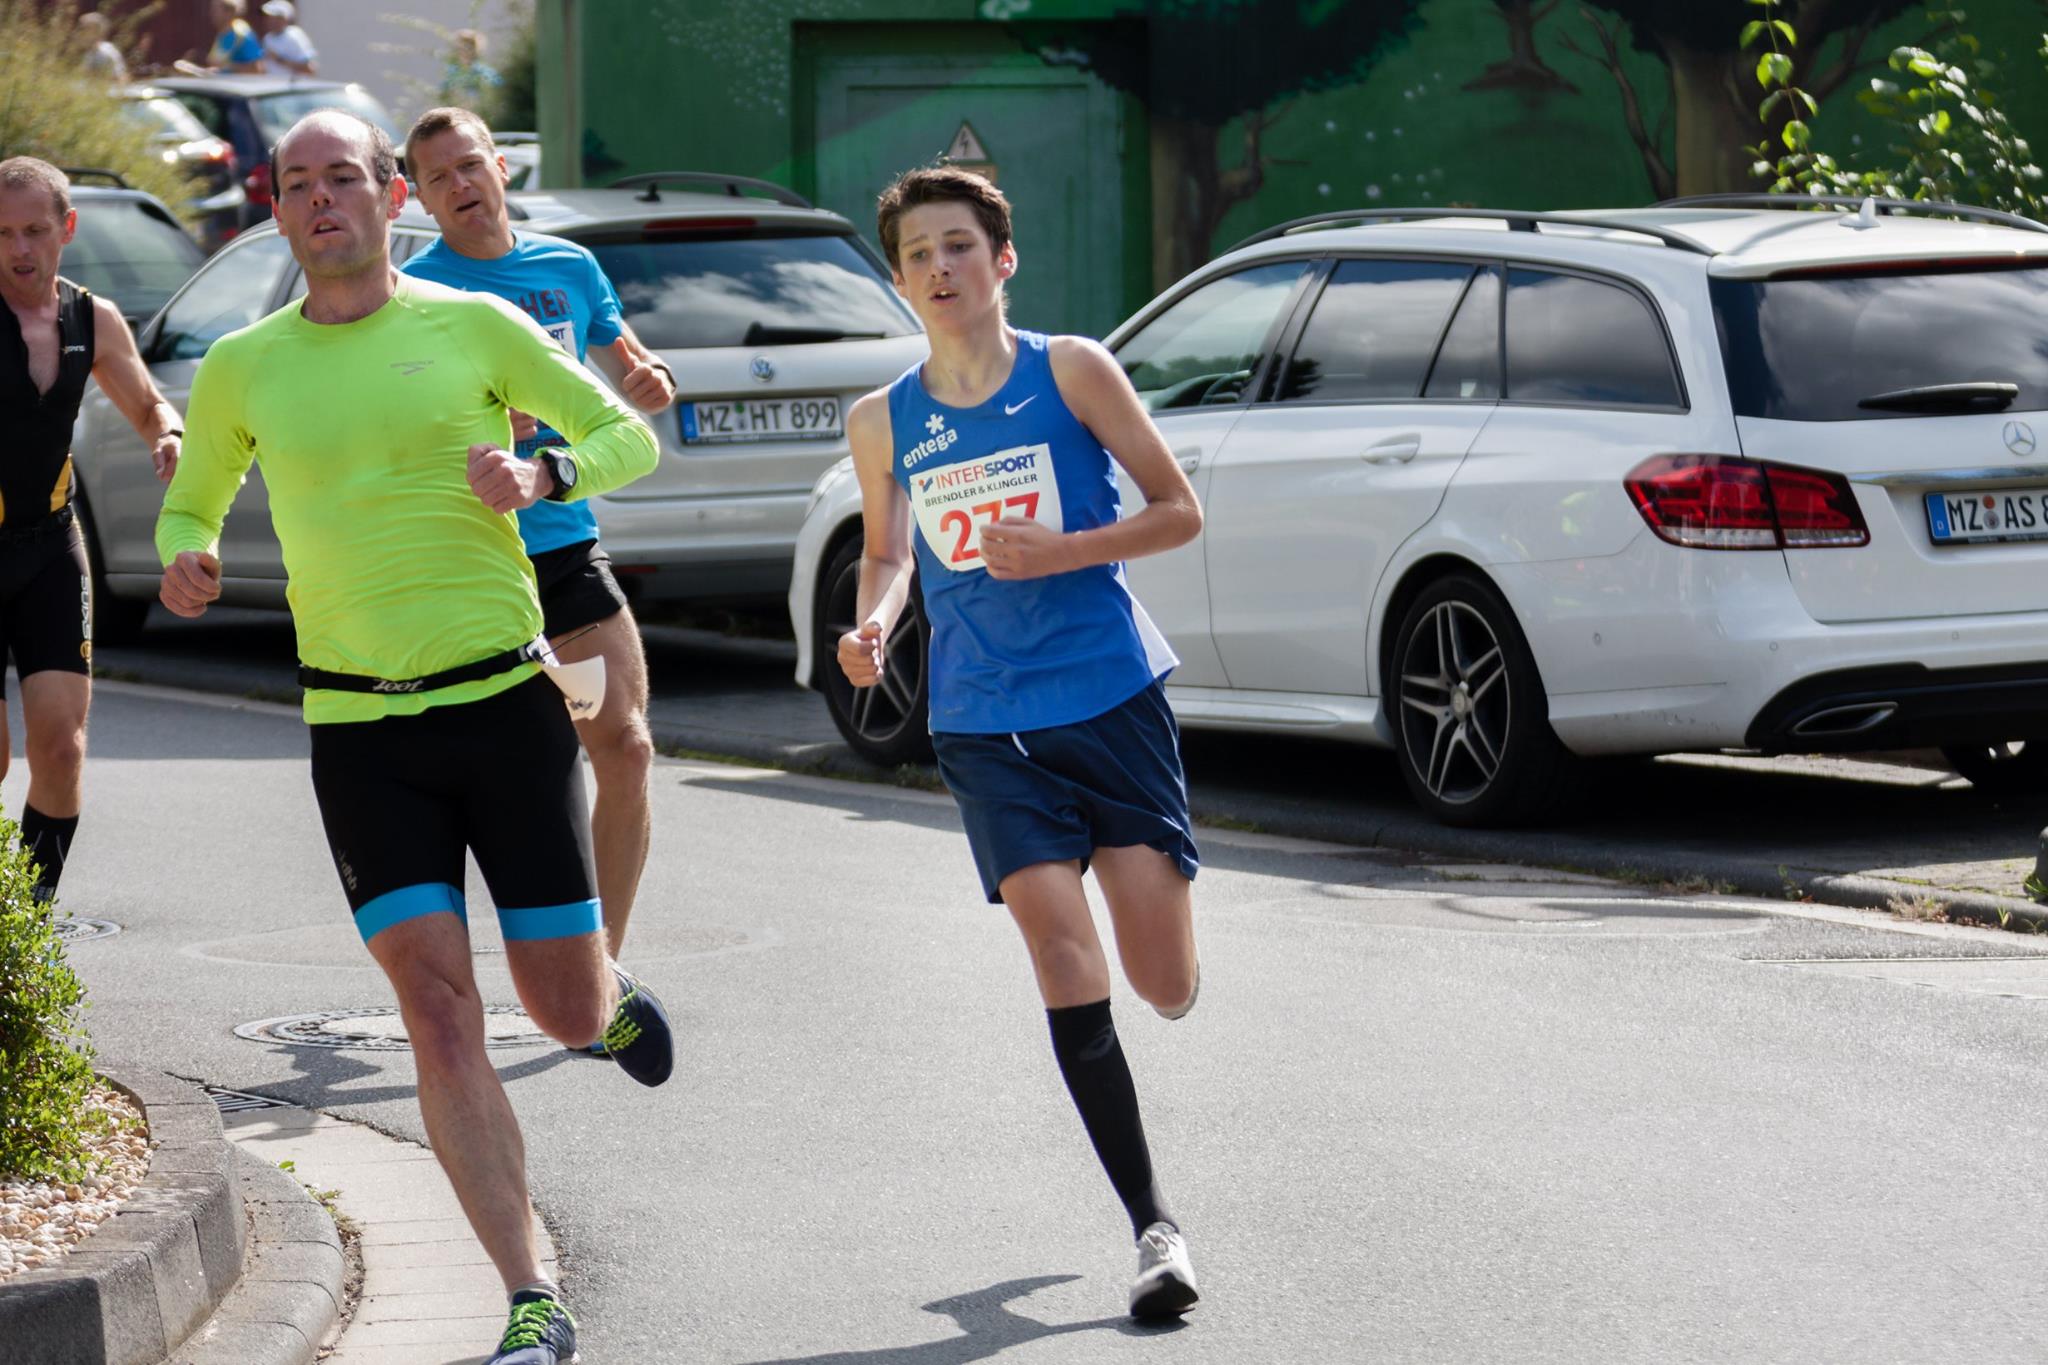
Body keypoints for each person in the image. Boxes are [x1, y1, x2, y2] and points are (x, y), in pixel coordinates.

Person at [155, 110, 670, 1365]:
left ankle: (596, 1001)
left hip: (502, 707)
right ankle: (528, 1297)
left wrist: (544, 478)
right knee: (437, 1014)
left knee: (548, 1007)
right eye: (298, 184)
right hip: (357, 731)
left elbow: (629, 436)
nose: (322, 199)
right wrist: (188, 552)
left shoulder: (476, 325)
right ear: (273, 210)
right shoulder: (242, 364)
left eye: (345, 178)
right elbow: (191, 493)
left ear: (392, 199)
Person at [837, 165, 1206, 1319]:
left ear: (1001, 262)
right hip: (982, 721)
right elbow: (890, 551)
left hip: (1108, 701)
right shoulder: (882, 418)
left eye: (957, 247)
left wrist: (1062, 549)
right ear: (898, 280)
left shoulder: (1072, 371)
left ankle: (1159, 926)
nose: (937, 269)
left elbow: (1177, 510)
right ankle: (1154, 1229)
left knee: (1164, 985)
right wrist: (875, 621)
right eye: (915, 255)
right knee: (1060, 958)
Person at [400, 105, 673, 966]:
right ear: (418, 196)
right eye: (438, 177)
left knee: (622, 747)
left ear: (501, 169)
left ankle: (605, 973)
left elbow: (624, 357)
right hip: (472, 566)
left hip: (562, 548)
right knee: (505, 781)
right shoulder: (420, 293)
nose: (460, 187)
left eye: (470, 165)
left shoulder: (569, 265)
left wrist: (643, 375)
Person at [0, 157, 182, 904]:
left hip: (49, 546)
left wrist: (168, 433)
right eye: (3, 233)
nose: (19, 249)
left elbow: (148, 403)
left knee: (62, 747)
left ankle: (25, 930)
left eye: (35, 230)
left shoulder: (91, 318)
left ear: (66, 229)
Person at [175, 0, 264, 74]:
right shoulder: (223, 33)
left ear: (229, 12)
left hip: (238, 92)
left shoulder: (242, 33)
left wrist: (224, 70)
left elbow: (256, 68)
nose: (211, 14)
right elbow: (217, 63)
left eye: (215, 10)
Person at [440, 28, 501, 110]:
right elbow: (444, 94)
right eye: (460, 48)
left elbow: (498, 93)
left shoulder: (485, 73)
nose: (464, 52)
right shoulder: (452, 72)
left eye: (468, 47)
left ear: (476, 49)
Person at [257, 0, 317, 77]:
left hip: (294, 87)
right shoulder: (268, 38)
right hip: (273, 86)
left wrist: (279, 59)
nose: (269, 20)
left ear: (284, 19)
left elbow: (309, 69)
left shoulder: (295, 36)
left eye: (275, 17)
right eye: (268, 17)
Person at [78, 12, 128, 84]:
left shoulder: (107, 51)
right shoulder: (89, 53)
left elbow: (121, 77)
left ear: (96, 31)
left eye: (85, 29)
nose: (81, 34)